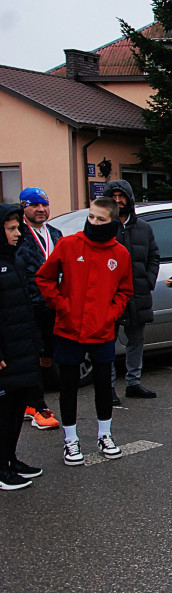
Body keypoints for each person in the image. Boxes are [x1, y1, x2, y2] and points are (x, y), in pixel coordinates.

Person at [37, 197, 133, 466]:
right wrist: (61, 305)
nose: (94, 222)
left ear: (113, 221)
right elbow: (44, 278)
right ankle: (71, 440)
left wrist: (111, 313)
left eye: (101, 219)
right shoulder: (68, 245)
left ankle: (105, 435)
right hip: (69, 329)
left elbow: (125, 290)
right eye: (91, 217)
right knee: (68, 386)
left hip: (102, 330)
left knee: (104, 385)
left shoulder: (120, 254)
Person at [0, 204, 44, 489]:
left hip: (20, 348)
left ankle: (10, 458)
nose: (18, 234)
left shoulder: (13, 259)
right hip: (5, 354)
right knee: (3, 412)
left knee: (16, 408)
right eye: (11, 229)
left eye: (18, 228)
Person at [104, 180, 160, 402]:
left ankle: (133, 383)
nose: (118, 200)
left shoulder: (144, 228)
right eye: (114, 196)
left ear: (129, 199)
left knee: (136, 339)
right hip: (110, 297)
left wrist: (148, 281)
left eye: (122, 196)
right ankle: (107, 386)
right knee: (108, 341)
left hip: (137, 294)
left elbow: (154, 256)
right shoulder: (103, 227)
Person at [15, 187, 61, 430]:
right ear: (24, 208)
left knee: (47, 356)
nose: (41, 209)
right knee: (32, 356)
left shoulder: (55, 233)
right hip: (29, 305)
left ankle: (29, 400)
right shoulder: (17, 235)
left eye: (44, 204)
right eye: (34, 205)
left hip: (52, 306)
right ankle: (37, 406)